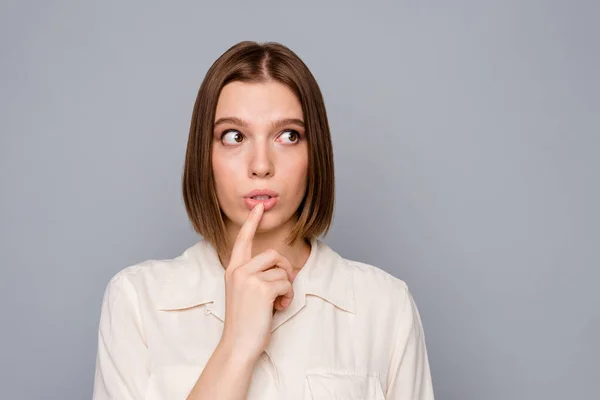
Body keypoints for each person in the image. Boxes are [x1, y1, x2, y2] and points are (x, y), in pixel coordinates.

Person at [92, 41, 435, 400]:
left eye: (288, 136)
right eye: (234, 136)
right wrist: (237, 344)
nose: (261, 165)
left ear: (314, 153)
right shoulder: (137, 301)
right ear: (203, 155)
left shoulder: (384, 307)